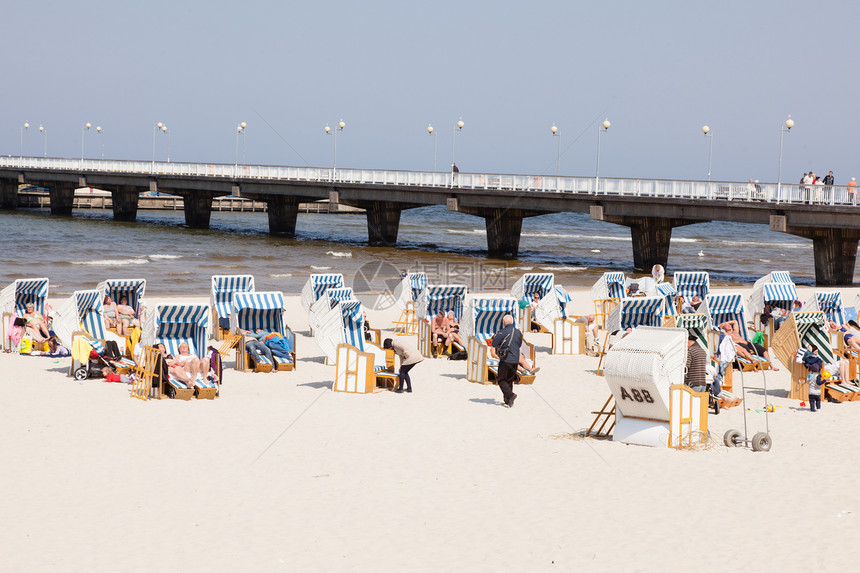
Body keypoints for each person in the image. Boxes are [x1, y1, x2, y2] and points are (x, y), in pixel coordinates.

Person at [491, 315, 523, 408]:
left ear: (504, 323)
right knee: (509, 380)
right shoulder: (518, 332)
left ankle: (511, 395)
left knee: (501, 380)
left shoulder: (502, 332)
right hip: (515, 359)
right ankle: (508, 401)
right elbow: (519, 344)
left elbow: (494, 343)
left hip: (506, 359)